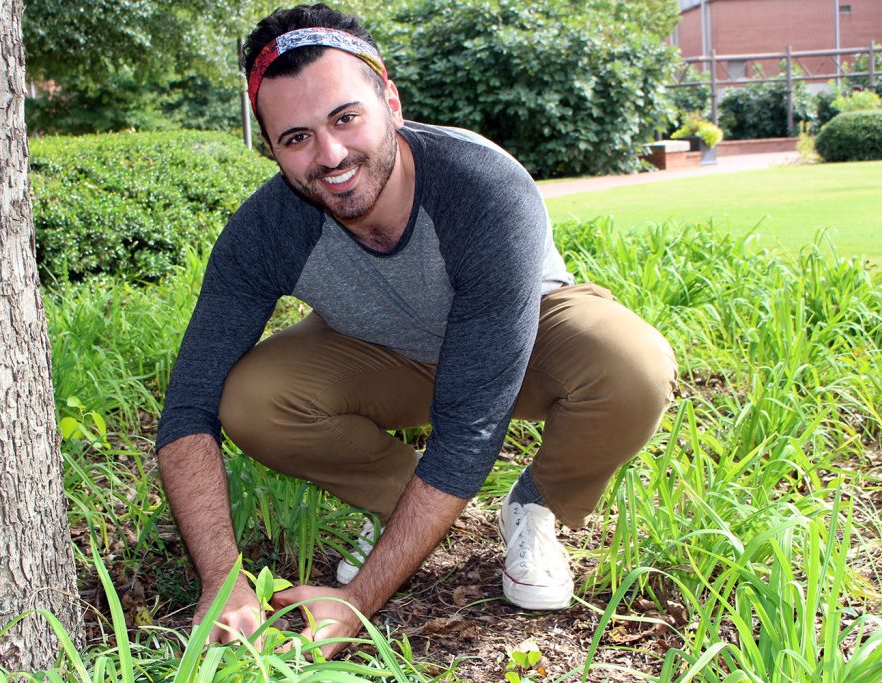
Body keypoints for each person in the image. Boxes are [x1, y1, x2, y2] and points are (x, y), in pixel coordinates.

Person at [156, 3, 677, 659]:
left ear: (391, 104)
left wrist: (359, 600)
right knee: (249, 397)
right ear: (272, 149)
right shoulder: (264, 230)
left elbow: (470, 427)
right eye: (297, 138)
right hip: (382, 353)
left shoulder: (481, 187)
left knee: (633, 365)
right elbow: (188, 406)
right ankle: (406, 501)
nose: (331, 154)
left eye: (345, 118)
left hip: (519, 344)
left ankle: (535, 506)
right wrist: (222, 576)